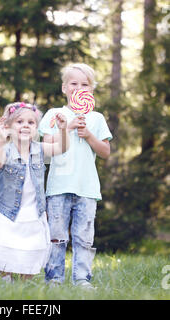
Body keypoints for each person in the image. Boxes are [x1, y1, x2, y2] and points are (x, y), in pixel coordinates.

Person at [38, 63, 112, 289]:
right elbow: (45, 143)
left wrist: (89, 135)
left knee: (84, 238)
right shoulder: (54, 114)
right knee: (57, 236)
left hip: (87, 187)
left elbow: (105, 152)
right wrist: (67, 127)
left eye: (84, 84)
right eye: (74, 83)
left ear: (91, 90)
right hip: (59, 186)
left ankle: (82, 278)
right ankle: (54, 278)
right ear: (64, 88)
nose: (78, 88)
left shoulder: (97, 118)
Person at [0, 102, 69, 282]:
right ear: (9, 126)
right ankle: (6, 280)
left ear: (36, 127)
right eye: (19, 122)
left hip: (33, 211)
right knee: (6, 246)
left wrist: (64, 131)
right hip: (8, 211)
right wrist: (1, 140)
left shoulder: (40, 149)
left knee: (31, 249)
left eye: (31, 122)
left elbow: (61, 148)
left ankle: (23, 284)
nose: (26, 125)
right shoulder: (5, 149)